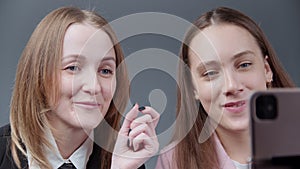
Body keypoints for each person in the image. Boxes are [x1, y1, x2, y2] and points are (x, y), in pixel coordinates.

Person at [0, 7, 159, 169]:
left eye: (105, 71)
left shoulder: (125, 160)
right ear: (38, 75)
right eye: (73, 67)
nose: (94, 87)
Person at [155, 7, 295, 169]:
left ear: (266, 70)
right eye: (210, 73)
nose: (231, 86)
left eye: (244, 65)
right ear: (193, 88)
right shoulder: (174, 161)